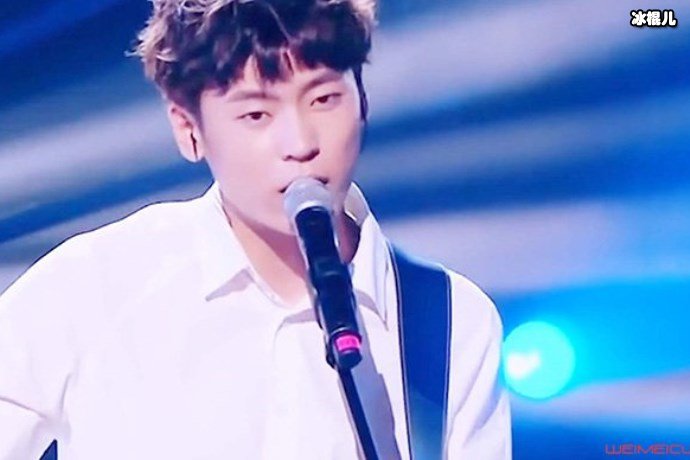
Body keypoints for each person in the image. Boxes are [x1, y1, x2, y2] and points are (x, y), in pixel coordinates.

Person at [0, 0, 511, 458]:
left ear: (362, 98)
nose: (300, 143)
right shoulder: (90, 288)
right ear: (188, 128)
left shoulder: (448, 321)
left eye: (323, 99)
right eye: (256, 114)